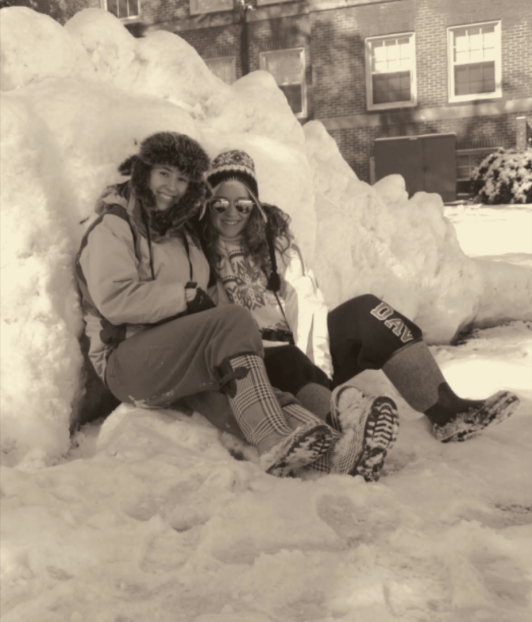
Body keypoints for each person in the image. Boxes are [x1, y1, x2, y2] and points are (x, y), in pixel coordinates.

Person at [75, 131, 387, 479]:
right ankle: (275, 438)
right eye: (164, 173)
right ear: (143, 171)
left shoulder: (186, 238)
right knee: (233, 323)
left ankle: (340, 456)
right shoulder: (113, 226)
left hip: (178, 356)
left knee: (252, 389)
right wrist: (185, 297)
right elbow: (115, 299)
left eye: (182, 179)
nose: (172, 186)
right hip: (126, 360)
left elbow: (213, 304)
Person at [200, 149, 519, 450]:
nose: (231, 213)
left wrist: (317, 352)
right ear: (206, 205)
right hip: (255, 366)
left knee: (369, 311)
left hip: (303, 353)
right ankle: (341, 440)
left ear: (254, 204)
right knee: (287, 356)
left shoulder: (274, 241)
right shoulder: (198, 248)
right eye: (220, 204)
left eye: (242, 204)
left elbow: (307, 300)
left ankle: (447, 411)